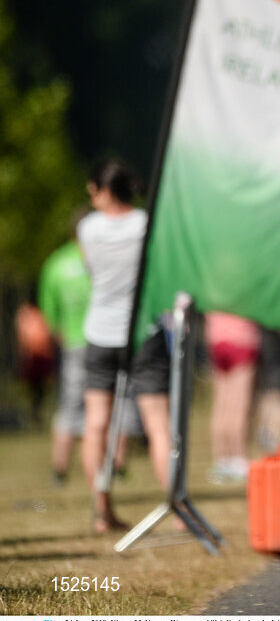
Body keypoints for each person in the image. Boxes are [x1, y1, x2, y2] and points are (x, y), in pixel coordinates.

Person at [78, 158, 171, 534]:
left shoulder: (88, 228)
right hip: (141, 332)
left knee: (96, 424)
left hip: (99, 330)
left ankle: (103, 512)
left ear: (103, 190)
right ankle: (175, 506)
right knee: (159, 425)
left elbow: (91, 271)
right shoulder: (146, 225)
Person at [39, 213, 144, 486]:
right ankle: (117, 466)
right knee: (121, 400)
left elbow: (49, 312)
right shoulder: (108, 254)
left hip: (75, 341)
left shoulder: (56, 263)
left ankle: (59, 470)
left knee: (73, 405)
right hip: (111, 336)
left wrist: (62, 336)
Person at [204, 311, 261, 482]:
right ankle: (239, 459)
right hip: (242, 339)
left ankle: (221, 461)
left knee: (221, 405)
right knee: (239, 405)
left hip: (216, 339)